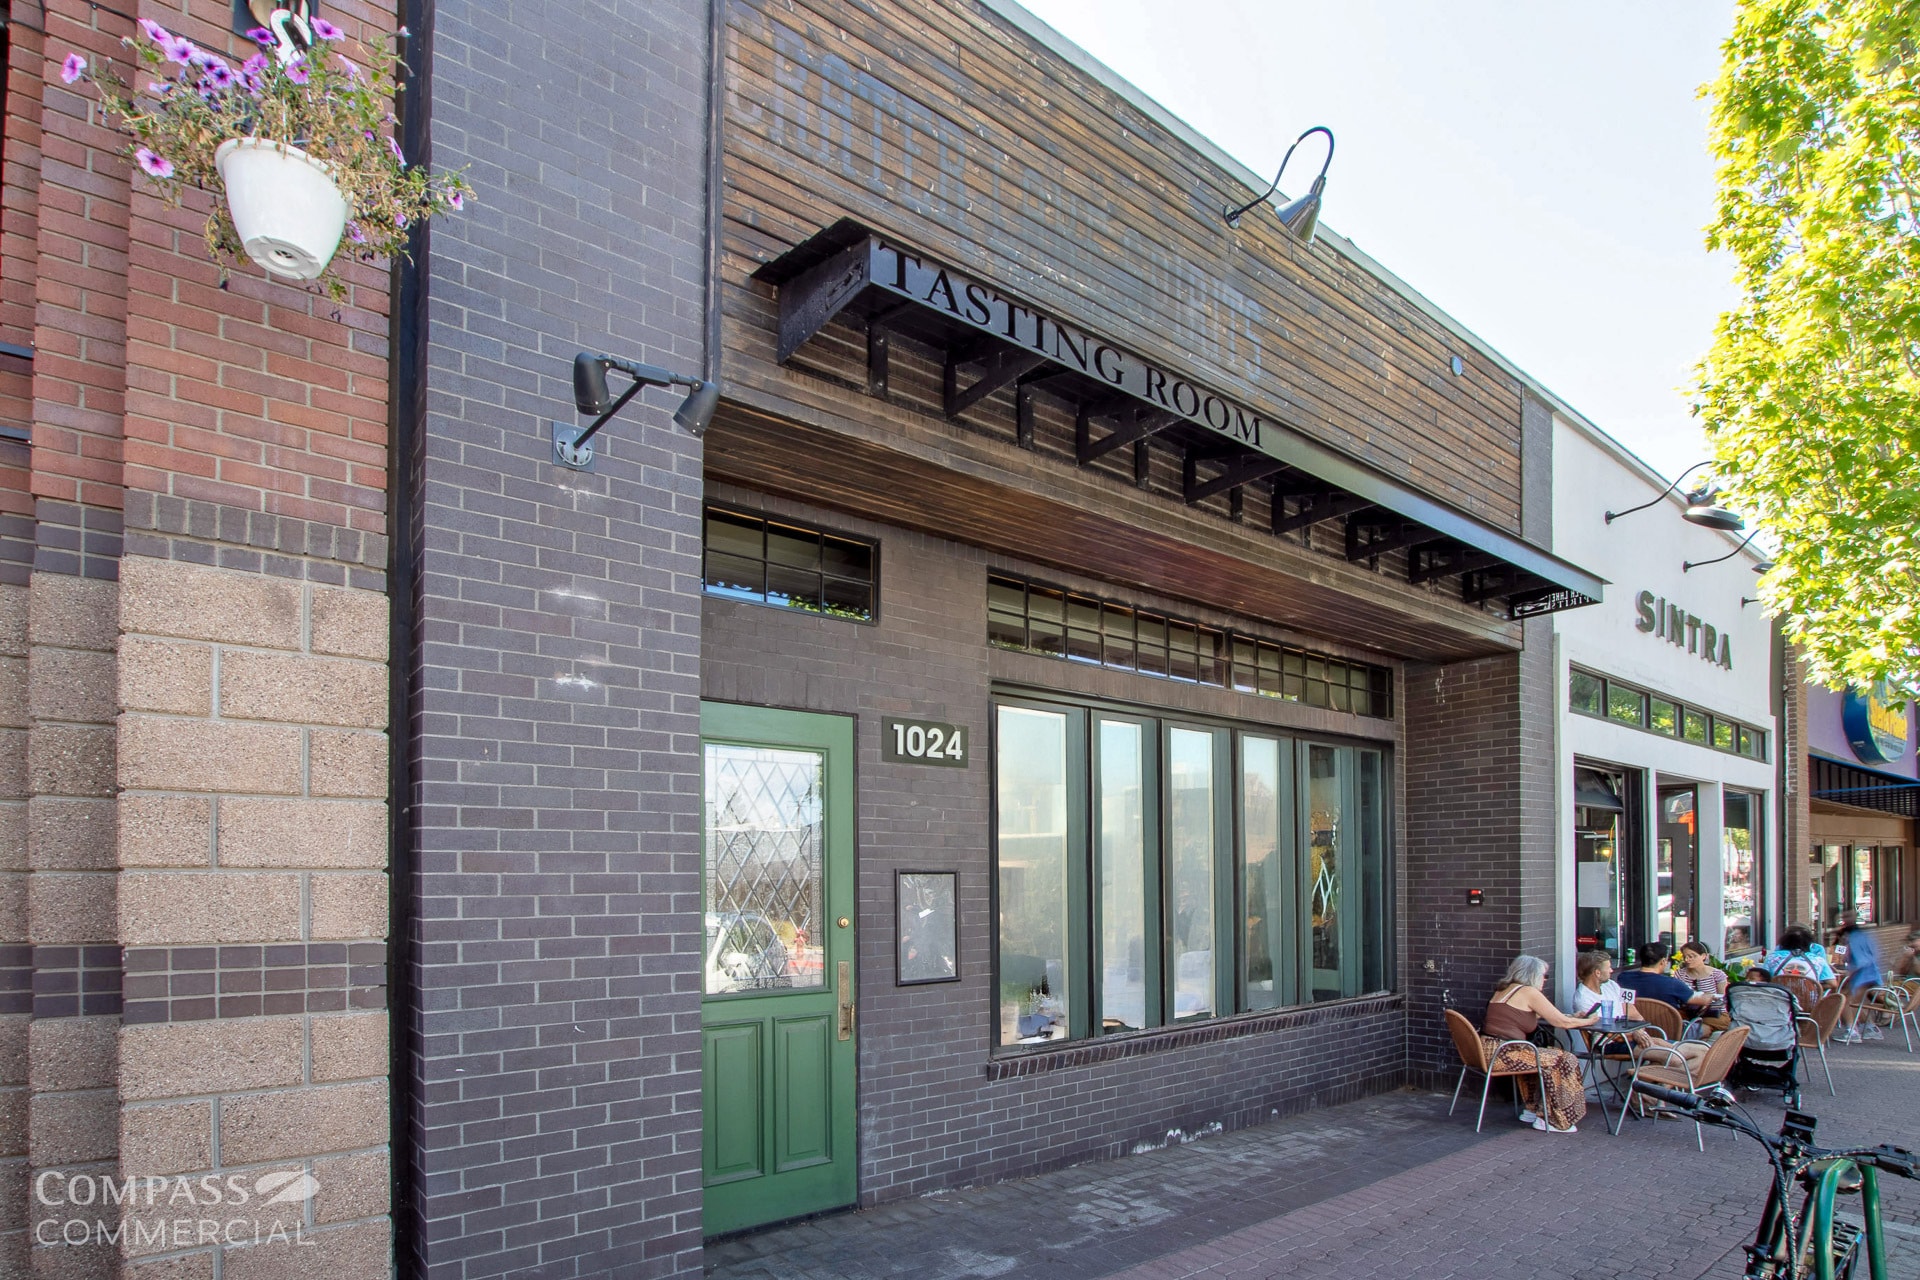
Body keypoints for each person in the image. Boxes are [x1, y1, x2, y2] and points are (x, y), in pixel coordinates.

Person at [1483, 954, 1596, 1134]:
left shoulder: (1505, 989)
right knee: (1565, 1059)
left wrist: (1572, 1017)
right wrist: (1589, 1022)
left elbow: (1539, 1016)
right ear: (1533, 975)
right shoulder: (1529, 992)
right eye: (1544, 976)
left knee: (1545, 1057)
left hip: (1492, 1050)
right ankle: (1552, 1119)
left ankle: (1533, 1110)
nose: (1545, 980)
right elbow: (1561, 1023)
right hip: (1507, 1053)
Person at [1615, 941, 1715, 1016]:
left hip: (1634, 1027)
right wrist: (1712, 995)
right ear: (1663, 961)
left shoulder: (1623, 978)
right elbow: (1703, 1000)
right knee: (1706, 1029)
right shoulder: (1672, 984)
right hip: (1668, 1029)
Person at [1835, 913, 1885, 1042]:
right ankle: (1870, 1028)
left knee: (1843, 999)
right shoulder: (1864, 936)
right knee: (1856, 1002)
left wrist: (1850, 972)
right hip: (1872, 974)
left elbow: (1860, 961)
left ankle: (1851, 1032)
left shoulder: (1853, 939)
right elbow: (1874, 954)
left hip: (1862, 975)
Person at [1677, 940, 1732, 1029]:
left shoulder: (1717, 974)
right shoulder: (1680, 974)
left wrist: (1706, 1003)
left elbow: (1722, 999)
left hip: (1714, 1013)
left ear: (1703, 956)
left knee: (1698, 1025)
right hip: (1689, 1012)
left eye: (1691, 956)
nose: (1687, 960)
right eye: (1685, 957)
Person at [1759, 926, 1837, 985]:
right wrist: (1813, 986)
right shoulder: (1818, 960)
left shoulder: (1772, 957)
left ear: (1784, 942)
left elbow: (1763, 979)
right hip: (1808, 1002)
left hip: (1780, 999)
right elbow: (1833, 984)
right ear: (1809, 943)